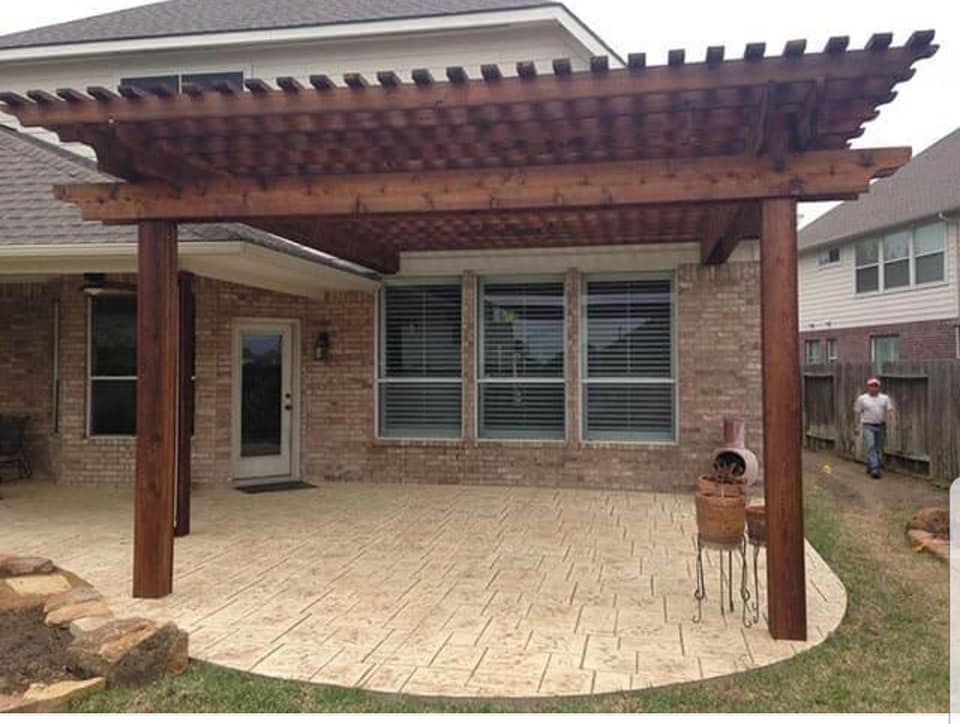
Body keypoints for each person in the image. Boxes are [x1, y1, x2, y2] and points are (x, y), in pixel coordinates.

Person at [854, 378, 895, 478]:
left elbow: (890, 410)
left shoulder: (884, 398)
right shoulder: (862, 399)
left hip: (881, 425)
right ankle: (875, 469)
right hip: (868, 425)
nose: (873, 388)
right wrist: (856, 426)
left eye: (875, 386)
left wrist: (893, 420)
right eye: (871, 386)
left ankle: (870, 464)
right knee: (871, 445)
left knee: (879, 447)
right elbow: (857, 412)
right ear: (868, 387)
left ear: (878, 387)